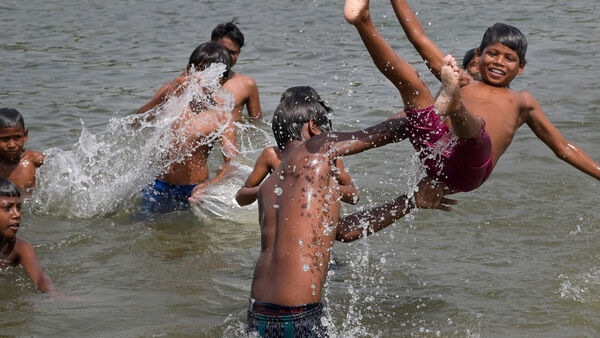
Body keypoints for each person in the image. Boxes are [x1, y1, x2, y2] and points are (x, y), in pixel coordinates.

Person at [246, 86, 456, 337]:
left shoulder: (270, 184)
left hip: (258, 312)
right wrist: (441, 104)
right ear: (314, 128)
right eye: (327, 131)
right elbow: (387, 131)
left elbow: (343, 231)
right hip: (297, 314)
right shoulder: (315, 149)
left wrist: (411, 200)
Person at [344, 0, 600, 194]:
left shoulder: (523, 101)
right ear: (478, 55)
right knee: (413, 86)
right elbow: (419, 39)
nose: (499, 62)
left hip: (471, 168)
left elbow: (563, 148)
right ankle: (362, 22)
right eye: (493, 54)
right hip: (436, 153)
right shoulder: (465, 79)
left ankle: (453, 106)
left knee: (475, 130)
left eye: (509, 59)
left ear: (521, 68)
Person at [138, 42, 238, 213]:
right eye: (199, 70)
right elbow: (137, 120)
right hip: (158, 184)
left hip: (192, 190)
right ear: (189, 70)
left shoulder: (221, 115)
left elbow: (232, 163)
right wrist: (168, 93)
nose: (201, 78)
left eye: (210, 73)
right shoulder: (173, 94)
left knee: (189, 238)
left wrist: (210, 186)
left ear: (221, 79)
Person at [235, 87, 359, 207]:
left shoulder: (330, 157)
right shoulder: (272, 155)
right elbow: (240, 197)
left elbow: (354, 196)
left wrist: (323, 186)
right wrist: (268, 187)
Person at [0, 177, 61, 298]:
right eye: (7, 208)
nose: (17, 214)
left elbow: (40, 277)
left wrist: (53, 293)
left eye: (18, 207)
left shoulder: (19, 247)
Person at [211, 19, 263, 122]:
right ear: (211, 47)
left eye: (233, 52)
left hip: (232, 136)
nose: (227, 56)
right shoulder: (193, 79)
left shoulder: (247, 84)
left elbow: (257, 123)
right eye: (224, 50)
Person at [0, 108, 44, 195]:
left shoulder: (35, 161)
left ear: (25, 135)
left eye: (17, 137)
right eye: (5, 139)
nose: (11, 145)